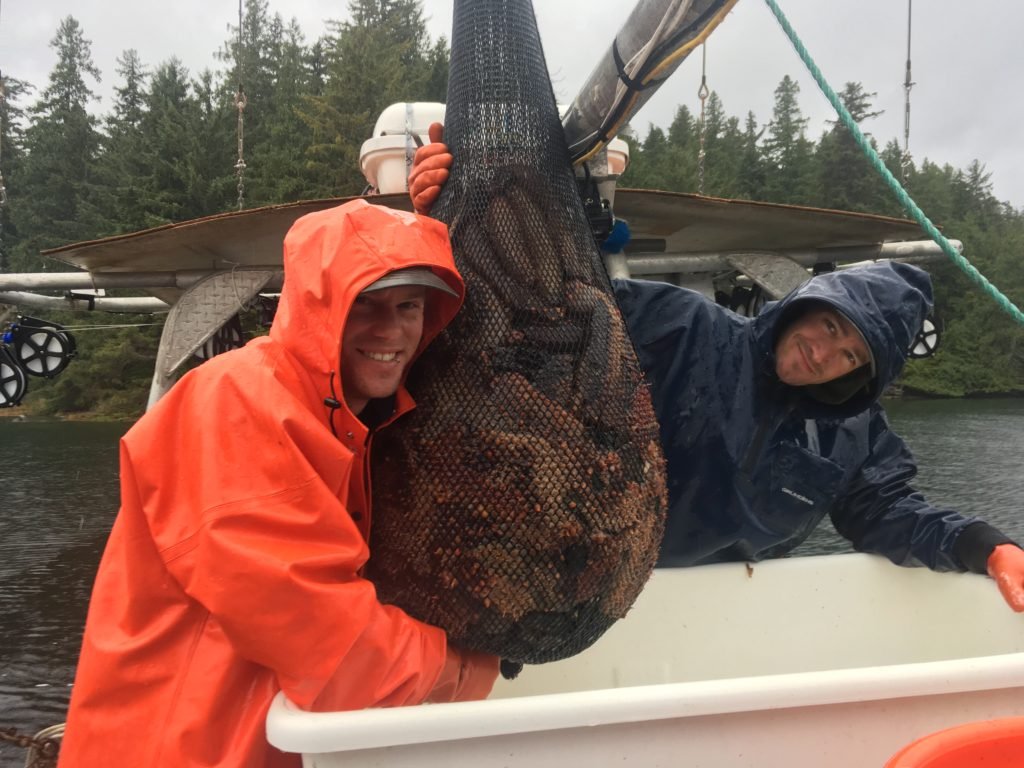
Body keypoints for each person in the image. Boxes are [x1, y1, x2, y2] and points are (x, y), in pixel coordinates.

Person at [408, 126, 1024, 612]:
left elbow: (888, 512)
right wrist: (456, 208)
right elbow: (538, 306)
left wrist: (985, 545)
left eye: (851, 356)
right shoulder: (677, 325)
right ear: (808, 304)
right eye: (830, 326)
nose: (823, 353)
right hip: (571, 577)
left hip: (720, 612)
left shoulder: (856, 435)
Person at [58, 200, 500, 768]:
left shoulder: (355, 420)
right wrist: (466, 668)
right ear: (317, 307)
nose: (390, 330)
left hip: (260, 741)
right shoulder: (238, 403)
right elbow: (327, 640)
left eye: (409, 306)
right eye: (364, 304)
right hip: (175, 747)